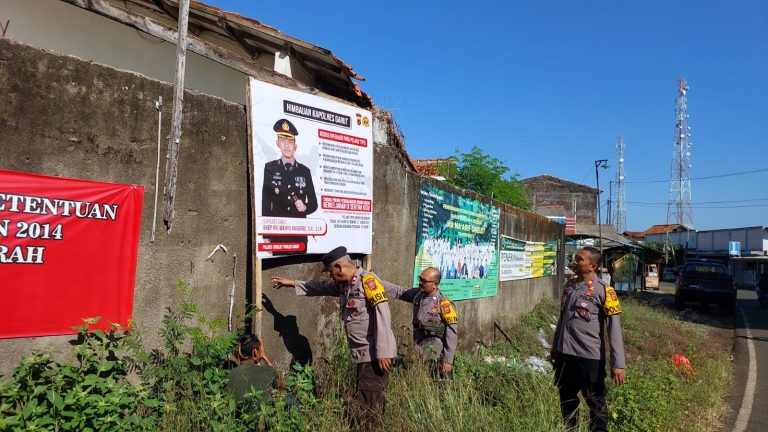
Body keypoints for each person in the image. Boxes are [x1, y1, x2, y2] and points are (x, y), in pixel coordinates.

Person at [270, 246, 396, 431]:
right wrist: (292, 283)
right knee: (368, 396)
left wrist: (384, 352)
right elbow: (319, 287)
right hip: (362, 354)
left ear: (339, 267)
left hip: (374, 354)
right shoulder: (346, 285)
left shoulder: (368, 282)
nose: (330, 276)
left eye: (330, 272)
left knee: (368, 400)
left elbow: (382, 314)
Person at [551, 247, 626, 432]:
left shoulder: (604, 291)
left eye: (579, 259)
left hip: (590, 358)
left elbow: (614, 329)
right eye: (575, 259)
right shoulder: (570, 286)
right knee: (567, 399)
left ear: (592, 266)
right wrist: (555, 348)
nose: (574, 262)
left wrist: (618, 363)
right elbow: (563, 320)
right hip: (566, 355)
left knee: (595, 404)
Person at [388, 267, 458, 379]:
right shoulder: (418, 295)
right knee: (422, 378)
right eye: (420, 279)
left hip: (436, 351)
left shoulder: (444, 304)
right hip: (420, 347)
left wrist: (448, 361)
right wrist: (378, 282)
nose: (420, 283)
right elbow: (399, 291)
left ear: (435, 284)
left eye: (424, 281)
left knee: (438, 381)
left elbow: (452, 333)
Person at [261, 118, 318, 255]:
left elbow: (314, 203)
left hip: (299, 234)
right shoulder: (270, 168)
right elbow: (266, 202)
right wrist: (266, 235)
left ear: (295, 146)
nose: (287, 146)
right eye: (283, 141)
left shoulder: (305, 171)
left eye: (290, 142)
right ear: (277, 143)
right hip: (279, 234)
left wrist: (305, 207)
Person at [226, 333, 282, 404]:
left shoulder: (229, 375)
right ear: (255, 352)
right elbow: (281, 385)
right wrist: (264, 357)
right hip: (263, 413)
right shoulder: (267, 371)